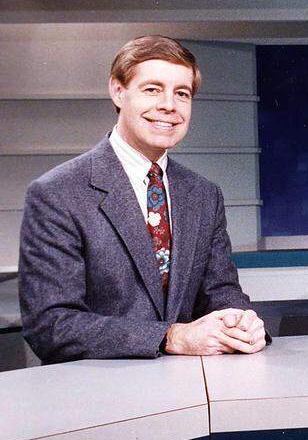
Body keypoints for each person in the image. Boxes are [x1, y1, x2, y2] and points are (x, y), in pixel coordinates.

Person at [19, 36, 267, 363]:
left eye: (182, 94)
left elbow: (220, 292)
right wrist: (169, 336)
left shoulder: (204, 195)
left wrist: (240, 320)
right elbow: (51, 325)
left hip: (191, 391)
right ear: (118, 91)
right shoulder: (57, 193)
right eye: (152, 89)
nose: (169, 105)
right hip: (100, 395)